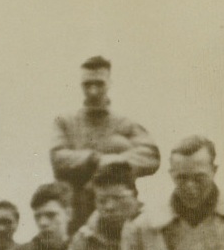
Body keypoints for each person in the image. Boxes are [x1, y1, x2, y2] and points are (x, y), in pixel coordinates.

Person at [50, 56, 160, 230]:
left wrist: (116, 161)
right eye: (87, 85)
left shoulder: (125, 123)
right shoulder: (65, 122)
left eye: (99, 84)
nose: (93, 91)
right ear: (81, 85)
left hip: (118, 211)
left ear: (109, 83)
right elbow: (58, 158)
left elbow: (151, 156)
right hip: (77, 210)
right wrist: (94, 159)